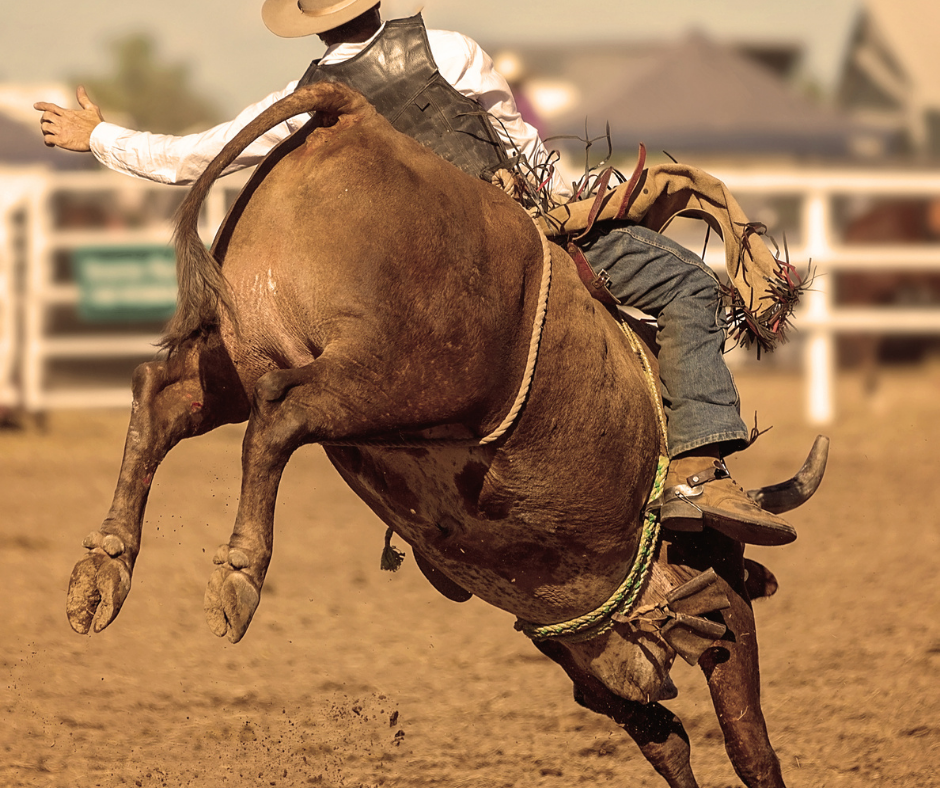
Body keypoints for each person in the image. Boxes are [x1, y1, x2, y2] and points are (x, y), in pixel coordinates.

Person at [34, 0, 795, 546]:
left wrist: (98, 135)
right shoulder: (451, 52)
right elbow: (525, 158)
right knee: (688, 283)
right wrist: (583, 203)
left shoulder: (302, 105)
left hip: (403, 290)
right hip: (511, 234)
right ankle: (694, 466)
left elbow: (197, 155)